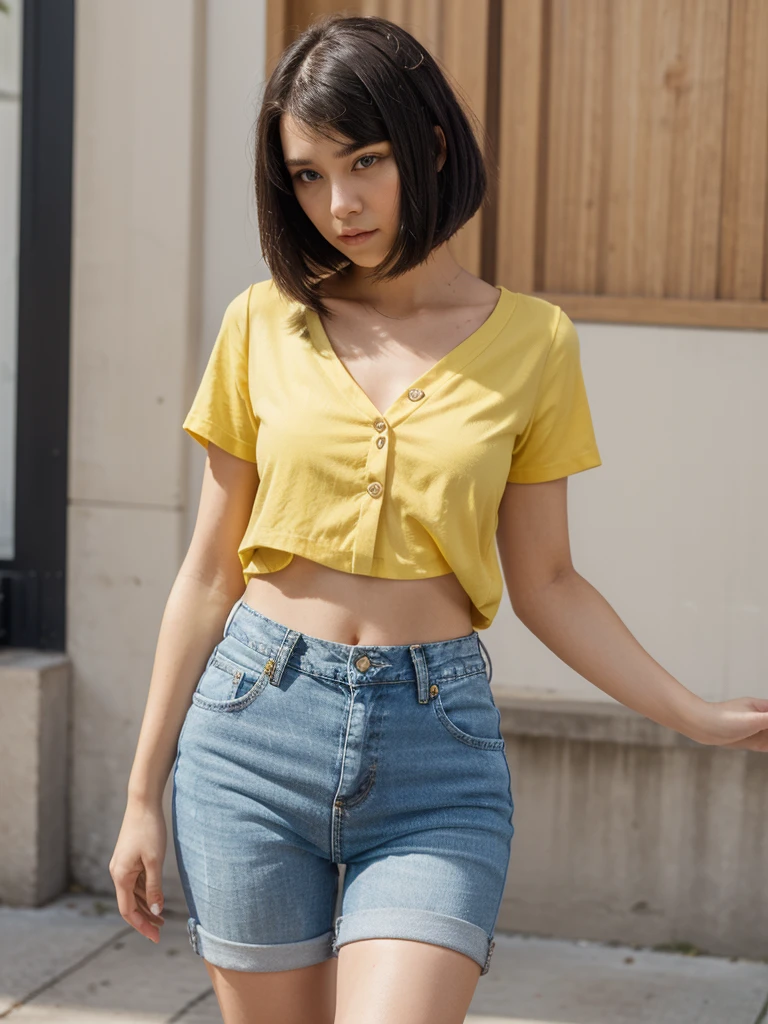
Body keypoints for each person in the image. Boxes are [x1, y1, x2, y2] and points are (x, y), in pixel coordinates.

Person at [109, 12, 768, 1024]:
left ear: (431, 146)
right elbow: (208, 572)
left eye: (364, 159)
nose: (340, 202)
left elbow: (546, 579)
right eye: (308, 174)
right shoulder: (261, 325)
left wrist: (695, 713)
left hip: (435, 750)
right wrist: (142, 792)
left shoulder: (535, 343)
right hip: (251, 735)